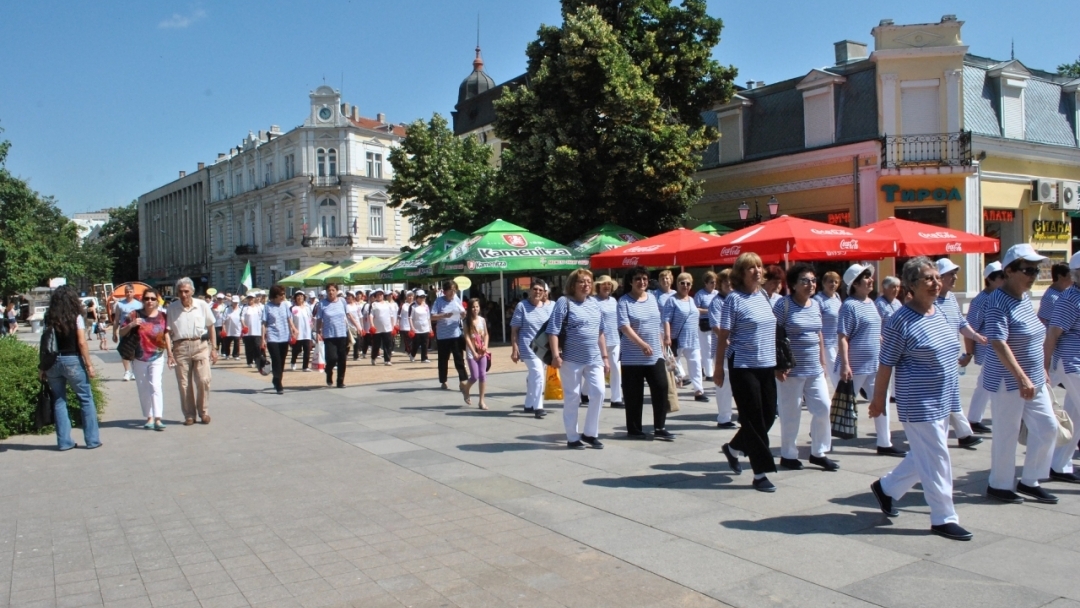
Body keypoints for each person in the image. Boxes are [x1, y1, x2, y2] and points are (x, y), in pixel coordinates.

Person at [867, 256, 973, 542]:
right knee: (938, 458)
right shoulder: (899, 320)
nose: (936, 283)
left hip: (943, 399)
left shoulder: (939, 311)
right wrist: (878, 402)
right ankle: (943, 517)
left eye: (937, 277)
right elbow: (886, 363)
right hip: (918, 402)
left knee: (924, 456)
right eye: (928, 278)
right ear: (911, 285)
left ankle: (887, 489)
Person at [984, 244, 1059, 505]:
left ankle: (1030, 480)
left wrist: (1040, 372)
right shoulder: (997, 301)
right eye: (1027, 270)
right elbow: (998, 342)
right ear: (1009, 271)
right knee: (1007, 433)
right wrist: (1021, 377)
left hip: (1034, 378)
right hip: (1009, 380)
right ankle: (1000, 484)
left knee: (1048, 428)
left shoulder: (1025, 298)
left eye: (1036, 270)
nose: (1033, 275)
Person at [716, 253, 779, 491]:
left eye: (759, 267)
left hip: (767, 365)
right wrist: (718, 368)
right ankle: (760, 473)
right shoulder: (734, 299)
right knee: (753, 420)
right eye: (751, 268)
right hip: (743, 366)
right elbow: (723, 336)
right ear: (740, 273)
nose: (757, 271)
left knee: (770, 415)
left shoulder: (763, 296)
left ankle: (732, 449)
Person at [774, 264, 838, 472]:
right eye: (805, 280)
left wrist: (822, 360)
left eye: (812, 280)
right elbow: (774, 334)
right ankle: (788, 454)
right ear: (793, 284)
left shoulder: (816, 305)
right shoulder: (783, 305)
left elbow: (818, 332)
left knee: (823, 408)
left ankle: (818, 452)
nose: (810, 284)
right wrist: (778, 365)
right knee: (791, 414)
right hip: (791, 370)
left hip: (814, 368)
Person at [837, 263, 904, 456]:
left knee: (880, 401)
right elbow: (843, 336)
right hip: (857, 366)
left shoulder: (871, 303)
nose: (870, 280)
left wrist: (881, 340)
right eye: (866, 278)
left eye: (869, 277)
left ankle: (885, 442)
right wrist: (845, 364)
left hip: (875, 363)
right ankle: (822, 442)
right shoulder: (849, 306)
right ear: (855, 284)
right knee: (844, 407)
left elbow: (874, 330)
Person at [549, 269, 610, 449]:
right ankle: (572, 437)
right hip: (571, 359)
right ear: (573, 284)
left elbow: (600, 332)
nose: (586, 285)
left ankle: (590, 433)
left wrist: (605, 357)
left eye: (589, 282)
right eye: (581, 282)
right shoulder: (564, 302)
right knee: (573, 396)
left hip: (594, 358)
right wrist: (555, 355)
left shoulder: (594, 304)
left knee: (599, 392)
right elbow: (553, 330)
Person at [39, 286, 101, 450]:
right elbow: (81, 342)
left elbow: (44, 342)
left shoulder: (49, 317)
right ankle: (92, 440)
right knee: (85, 399)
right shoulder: (76, 317)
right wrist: (89, 364)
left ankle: (64, 442)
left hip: (52, 362)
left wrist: (42, 366)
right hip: (72, 360)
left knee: (59, 400)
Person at [935, 258, 987, 449]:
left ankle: (964, 434)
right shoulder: (931, 301)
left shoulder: (951, 299)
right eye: (951, 274)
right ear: (939, 278)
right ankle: (963, 434)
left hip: (950, 357)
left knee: (952, 395)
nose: (955, 278)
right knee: (948, 397)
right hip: (937, 358)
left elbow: (961, 323)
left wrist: (975, 336)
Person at [617, 266, 673, 440]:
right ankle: (634, 428)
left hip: (655, 354)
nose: (642, 282)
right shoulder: (624, 301)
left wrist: (662, 342)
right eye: (638, 279)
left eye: (644, 279)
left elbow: (657, 323)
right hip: (632, 356)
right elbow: (624, 327)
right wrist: (641, 344)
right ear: (631, 282)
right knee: (634, 394)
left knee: (661, 387)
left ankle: (660, 426)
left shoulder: (652, 299)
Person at [1044, 251, 1080, 483]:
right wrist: (1044, 368)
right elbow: (1052, 335)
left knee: (1075, 418)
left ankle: (1058, 464)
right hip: (1073, 364)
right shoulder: (1070, 299)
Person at [165, 278, 217, 425]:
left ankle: (204, 412)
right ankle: (189, 415)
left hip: (200, 345)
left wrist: (214, 348)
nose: (183, 294)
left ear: (192, 291)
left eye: (186, 291)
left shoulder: (202, 305)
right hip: (180, 347)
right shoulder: (172, 308)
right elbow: (167, 332)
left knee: (203, 380)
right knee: (184, 384)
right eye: (180, 291)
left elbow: (211, 326)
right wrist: (169, 353)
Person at [118, 288, 168, 430]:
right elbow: (121, 332)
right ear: (142, 300)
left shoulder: (163, 316)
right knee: (143, 387)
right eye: (147, 299)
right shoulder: (134, 314)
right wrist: (131, 324)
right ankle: (149, 417)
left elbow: (167, 335)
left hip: (157, 356)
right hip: (139, 356)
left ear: (157, 300)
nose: (150, 301)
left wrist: (170, 354)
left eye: (153, 298)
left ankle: (158, 418)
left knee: (155, 385)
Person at [965, 262, 1004, 433]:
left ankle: (974, 418)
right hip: (988, 349)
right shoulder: (981, 300)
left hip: (999, 348)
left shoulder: (1002, 296)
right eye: (1001, 276)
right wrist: (969, 352)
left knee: (986, 384)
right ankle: (974, 419)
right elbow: (970, 327)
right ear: (990, 279)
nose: (1005, 279)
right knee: (989, 384)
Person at [510, 280, 553, 418]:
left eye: (541, 290)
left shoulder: (547, 307)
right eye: (535, 289)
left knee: (535, 376)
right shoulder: (522, 306)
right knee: (538, 374)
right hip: (527, 346)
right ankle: (538, 406)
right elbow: (515, 329)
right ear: (530, 290)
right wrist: (514, 348)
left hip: (543, 348)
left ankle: (528, 403)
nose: (538, 292)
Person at [664, 273, 707, 402]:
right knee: (672, 365)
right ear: (677, 284)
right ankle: (671, 389)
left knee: (696, 364)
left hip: (693, 339)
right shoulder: (672, 300)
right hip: (677, 338)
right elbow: (666, 319)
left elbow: (695, 312)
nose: (685, 286)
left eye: (688, 283)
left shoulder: (692, 300)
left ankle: (699, 391)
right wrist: (667, 336)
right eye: (682, 283)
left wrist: (708, 311)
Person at [316, 283, 362, 388]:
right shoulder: (322, 304)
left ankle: (340, 381)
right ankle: (329, 371)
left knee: (342, 359)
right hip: (329, 335)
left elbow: (348, 315)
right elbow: (319, 319)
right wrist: (318, 332)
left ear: (336, 291)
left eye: (333, 290)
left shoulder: (342, 302)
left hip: (342, 334)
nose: (331, 292)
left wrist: (358, 326)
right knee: (332, 358)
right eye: (329, 290)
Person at [710, 270, 736, 428]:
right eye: (726, 281)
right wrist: (726, 339)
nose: (729, 284)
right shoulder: (717, 301)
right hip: (723, 350)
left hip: (738, 349)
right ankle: (724, 417)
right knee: (724, 385)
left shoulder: (735, 299)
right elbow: (715, 325)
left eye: (732, 281)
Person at [431, 280, 468, 391]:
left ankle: (463, 380)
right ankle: (443, 381)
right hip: (443, 336)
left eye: (454, 290)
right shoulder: (439, 301)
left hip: (455, 333)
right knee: (443, 359)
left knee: (459, 358)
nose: (453, 293)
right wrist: (444, 315)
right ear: (445, 291)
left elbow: (462, 315)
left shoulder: (457, 299)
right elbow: (432, 316)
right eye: (451, 290)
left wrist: (463, 314)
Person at [594, 275, 623, 408]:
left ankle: (616, 398)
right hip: (599, 341)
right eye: (604, 284)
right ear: (598, 286)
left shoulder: (614, 301)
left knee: (616, 369)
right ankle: (586, 392)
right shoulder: (593, 301)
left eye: (609, 285)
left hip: (615, 339)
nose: (607, 287)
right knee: (598, 369)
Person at [262, 285, 297, 395]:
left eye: (283, 294)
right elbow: (264, 323)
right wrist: (262, 338)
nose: (283, 296)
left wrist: (293, 329)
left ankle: (276, 378)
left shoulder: (285, 305)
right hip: (272, 336)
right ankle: (278, 383)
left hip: (284, 336)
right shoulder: (267, 307)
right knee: (276, 359)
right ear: (274, 296)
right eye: (281, 294)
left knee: (281, 360)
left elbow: (288, 318)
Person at [814, 271, 843, 389]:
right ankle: (842, 396)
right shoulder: (818, 299)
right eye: (830, 281)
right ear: (824, 283)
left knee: (838, 369)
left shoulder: (837, 297)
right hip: (826, 342)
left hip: (838, 341)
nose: (833, 284)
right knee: (835, 372)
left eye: (836, 282)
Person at [461, 298, 490, 409]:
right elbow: (467, 338)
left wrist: (485, 347)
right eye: (473, 307)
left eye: (477, 306)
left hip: (482, 351)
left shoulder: (482, 320)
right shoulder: (466, 322)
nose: (475, 309)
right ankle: (466, 388)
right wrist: (473, 352)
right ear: (469, 308)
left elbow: (486, 334)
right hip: (471, 353)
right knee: (474, 376)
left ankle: (481, 401)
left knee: (483, 375)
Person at [112, 284, 143, 381]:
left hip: (136, 331)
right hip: (124, 330)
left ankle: (134, 371)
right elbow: (116, 320)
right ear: (124, 293)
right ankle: (127, 371)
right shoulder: (120, 304)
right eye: (127, 292)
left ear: (133, 292)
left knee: (135, 350)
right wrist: (114, 333)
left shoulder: (139, 304)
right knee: (124, 351)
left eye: (130, 292)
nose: (129, 294)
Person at [695, 271, 719, 381]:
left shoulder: (718, 293)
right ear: (705, 283)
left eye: (715, 282)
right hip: (704, 324)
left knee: (715, 348)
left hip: (717, 324)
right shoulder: (700, 294)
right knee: (707, 349)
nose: (713, 284)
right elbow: (695, 309)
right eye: (711, 282)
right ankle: (709, 373)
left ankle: (705, 368)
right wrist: (709, 311)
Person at [367, 289, 396, 366]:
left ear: (383, 295)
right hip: (377, 329)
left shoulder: (387, 304)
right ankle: (373, 357)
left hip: (387, 328)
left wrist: (393, 326)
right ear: (375, 296)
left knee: (387, 344)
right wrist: (372, 325)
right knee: (376, 345)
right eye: (378, 295)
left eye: (381, 294)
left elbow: (391, 316)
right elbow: (371, 315)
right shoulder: (373, 305)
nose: (379, 296)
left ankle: (387, 360)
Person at [290, 291, 314, 372]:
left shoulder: (307, 308)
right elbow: (291, 321)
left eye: (301, 296)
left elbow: (310, 319)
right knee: (296, 350)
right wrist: (292, 331)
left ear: (304, 297)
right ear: (295, 298)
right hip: (297, 333)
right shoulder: (293, 308)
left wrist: (311, 327)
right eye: (298, 296)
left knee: (307, 350)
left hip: (307, 332)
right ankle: (293, 361)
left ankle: (305, 366)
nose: (300, 298)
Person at [240, 293, 263, 367]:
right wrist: (244, 325)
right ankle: (249, 362)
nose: (250, 299)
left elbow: (261, 318)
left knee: (257, 346)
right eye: (249, 298)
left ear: (254, 299)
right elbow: (242, 317)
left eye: (252, 298)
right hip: (248, 331)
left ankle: (257, 361)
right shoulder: (245, 307)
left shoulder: (258, 307)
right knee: (249, 347)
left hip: (257, 331)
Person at [409, 290, 432, 363]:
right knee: (416, 344)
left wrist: (430, 327)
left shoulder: (426, 306)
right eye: (421, 297)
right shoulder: (413, 306)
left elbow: (428, 317)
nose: (422, 298)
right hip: (416, 328)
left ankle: (424, 358)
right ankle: (412, 355)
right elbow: (410, 318)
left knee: (425, 343)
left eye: (424, 297)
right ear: (417, 297)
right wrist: (412, 328)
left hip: (425, 327)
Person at [221, 295, 243, 360]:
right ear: (231, 302)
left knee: (236, 342)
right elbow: (223, 320)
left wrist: (243, 328)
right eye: (234, 302)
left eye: (236, 302)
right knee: (227, 343)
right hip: (228, 329)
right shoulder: (227, 309)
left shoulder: (240, 310)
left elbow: (242, 319)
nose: (235, 304)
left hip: (237, 329)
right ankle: (227, 354)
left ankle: (236, 355)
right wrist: (223, 328)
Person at [399, 291, 415, 361]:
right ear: (406, 297)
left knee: (413, 340)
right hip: (405, 325)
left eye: (411, 296)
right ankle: (409, 351)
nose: (410, 298)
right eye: (409, 296)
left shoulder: (415, 305)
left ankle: (409, 350)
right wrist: (397, 323)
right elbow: (399, 315)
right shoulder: (403, 305)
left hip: (414, 325)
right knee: (407, 340)